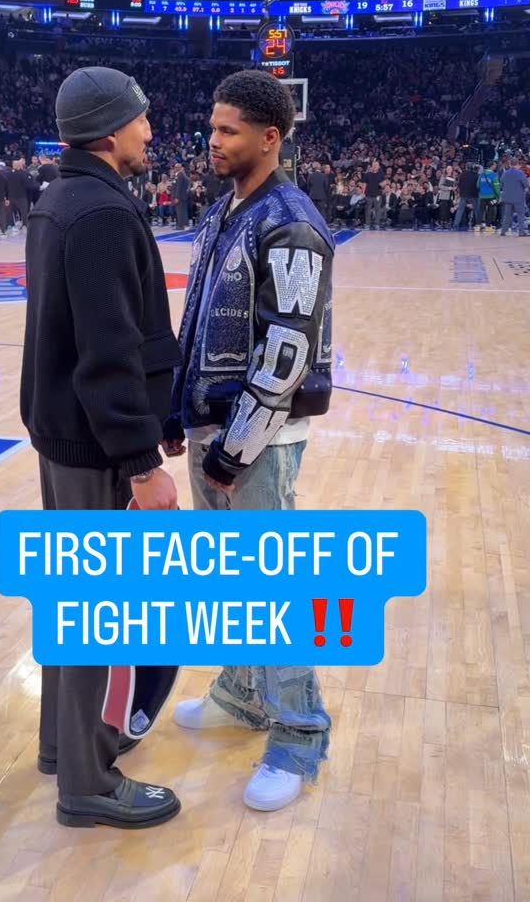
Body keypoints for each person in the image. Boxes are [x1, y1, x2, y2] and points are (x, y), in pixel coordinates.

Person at [163, 69, 334, 813]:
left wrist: (235, 449)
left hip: (257, 440)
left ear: (271, 138)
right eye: (212, 126)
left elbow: (286, 354)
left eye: (229, 130)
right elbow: (199, 320)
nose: (213, 140)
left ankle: (299, 735)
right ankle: (241, 692)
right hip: (216, 429)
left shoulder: (290, 221)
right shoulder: (225, 211)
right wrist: (179, 410)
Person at [20, 66, 182, 830]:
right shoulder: (101, 214)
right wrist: (143, 462)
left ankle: (62, 743)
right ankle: (87, 780)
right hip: (96, 448)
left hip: (62, 439)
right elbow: (108, 354)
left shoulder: (59, 198)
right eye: (143, 119)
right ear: (112, 130)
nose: (152, 131)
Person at [500, 158, 529, 236]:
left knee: (507, 215)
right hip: (518, 198)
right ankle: (521, 232)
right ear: (517, 164)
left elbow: (501, 184)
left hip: (507, 198)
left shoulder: (505, 173)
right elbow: (526, 185)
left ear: (510, 164)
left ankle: (503, 231)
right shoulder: (520, 173)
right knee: (520, 215)